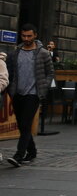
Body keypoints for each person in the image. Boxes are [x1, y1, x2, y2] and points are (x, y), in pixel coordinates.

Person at [6, 24, 53, 166]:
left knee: (26, 124)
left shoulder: (43, 53)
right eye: (24, 36)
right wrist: (10, 91)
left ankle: (19, 155)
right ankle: (32, 152)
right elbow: (10, 74)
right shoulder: (15, 53)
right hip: (17, 94)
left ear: (35, 36)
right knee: (22, 125)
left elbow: (50, 73)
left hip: (33, 94)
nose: (26, 38)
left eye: (29, 36)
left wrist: (43, 89)